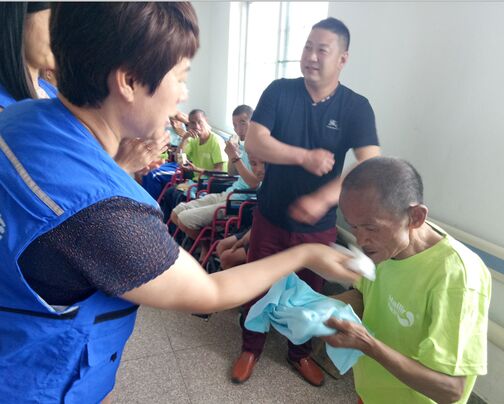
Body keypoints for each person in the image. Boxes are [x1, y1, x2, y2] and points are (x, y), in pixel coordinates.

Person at [0, 4, 360, 402]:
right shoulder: (105, 214)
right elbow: (209, 291)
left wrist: (118, 165)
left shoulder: (19, 116)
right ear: (129, 81)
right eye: (181, 77)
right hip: (37, 381)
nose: (183, 94)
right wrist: (307, 253)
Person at [233, 17, 381, 386]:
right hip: (270, 216)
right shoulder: (280, 91)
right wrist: (303, 157)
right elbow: (255, 140)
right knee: (257, 284)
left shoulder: (356, 107)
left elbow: (371, 164)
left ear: (342, 59)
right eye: (307, 47)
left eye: (322, 50)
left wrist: (324, 196)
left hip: (317, 227)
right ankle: (250, 347)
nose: (311, 56)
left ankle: (299, 353)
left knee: (309, 296)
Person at [323, 157, 491, 404]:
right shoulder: (385, 248)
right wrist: (317, 307)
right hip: (370, 394)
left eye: (371, 228)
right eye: (354, 227)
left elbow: (450, 390)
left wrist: (369, 345)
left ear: (416, 217)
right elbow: (365, 296)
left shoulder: (457, 277)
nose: (360, 240)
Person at [0, 2, 167, 176]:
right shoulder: (6, 113)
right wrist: (121, 166)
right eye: (54, 22)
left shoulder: (48, 91)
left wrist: (127, 154)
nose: (64, 34)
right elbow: (50, 185)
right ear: (16, 22)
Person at [170, 105, 260, 244]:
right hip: (228, 193)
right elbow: (231, 173)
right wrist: (232, 156)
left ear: (253, 122)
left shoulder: (259, 149)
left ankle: (208, 246)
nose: (238, 129)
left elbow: (254, 184)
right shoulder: (243, 146)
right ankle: (205, 246)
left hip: (239, 201)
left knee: (184, 218)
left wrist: (235, 158)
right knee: (176, 213)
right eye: (235, 125)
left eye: (242, 123)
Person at [0, 2, 57, 110]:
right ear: (18, 21)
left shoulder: (49, 90)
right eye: (53, 21)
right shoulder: (4, 110)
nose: (61, 34)